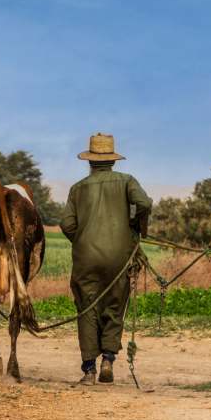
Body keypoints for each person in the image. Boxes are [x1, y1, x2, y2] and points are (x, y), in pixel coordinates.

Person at [60, 134, 152, 386]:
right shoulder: (127, 181)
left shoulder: (77, 188)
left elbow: (66, 223)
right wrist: (136, 228)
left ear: (90, 162)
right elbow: (144, 203)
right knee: (114, 306)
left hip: (85, 260)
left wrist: (82, 242)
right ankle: (108, 360)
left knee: (87, 308)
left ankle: (89, 371)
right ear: (112, 161)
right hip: (119, 258)